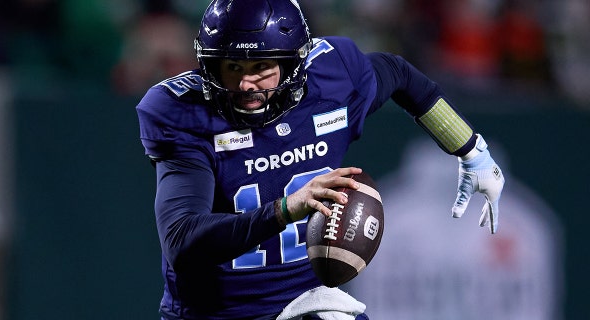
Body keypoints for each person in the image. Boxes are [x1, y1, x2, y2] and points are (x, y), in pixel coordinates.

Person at [135, 0, 505, 319]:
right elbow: (183, 241)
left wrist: (471, 149)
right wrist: (283, 210)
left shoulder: (332, 78)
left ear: (293, 63)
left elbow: (398, 73)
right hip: (216, 314)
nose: (246, 84)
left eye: (260, 68)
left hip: (305, 303)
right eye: (233, 67)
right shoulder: (183, 115)